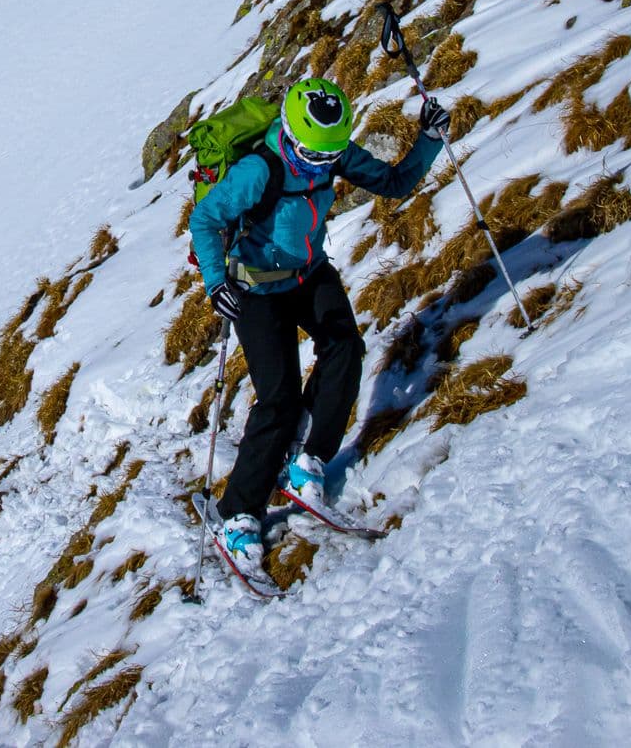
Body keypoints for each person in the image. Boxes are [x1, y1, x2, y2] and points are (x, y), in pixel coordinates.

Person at [188, 76, 447, 571]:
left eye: (328, 158)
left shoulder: (330, 150)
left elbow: (393, 183)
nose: (320, 165)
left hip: (308, 272)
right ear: (287, 132)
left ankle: (307, 462)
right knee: (279, 398)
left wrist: (429, 141)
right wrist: (215, 281)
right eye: (310, 155)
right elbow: (206, 218)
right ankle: (235, 514)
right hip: (256, 287)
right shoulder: (257, 170)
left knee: (345, 348)